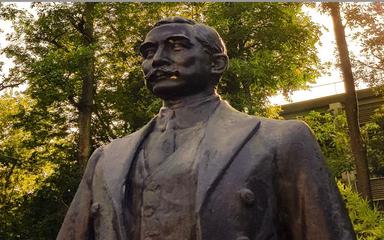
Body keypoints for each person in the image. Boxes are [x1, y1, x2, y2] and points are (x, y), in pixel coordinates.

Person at [57, 17, 356, 240]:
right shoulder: (106, 159)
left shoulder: (280, 140)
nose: (156, 60)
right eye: (148, 52)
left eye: (175, 46)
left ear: (216, 63)